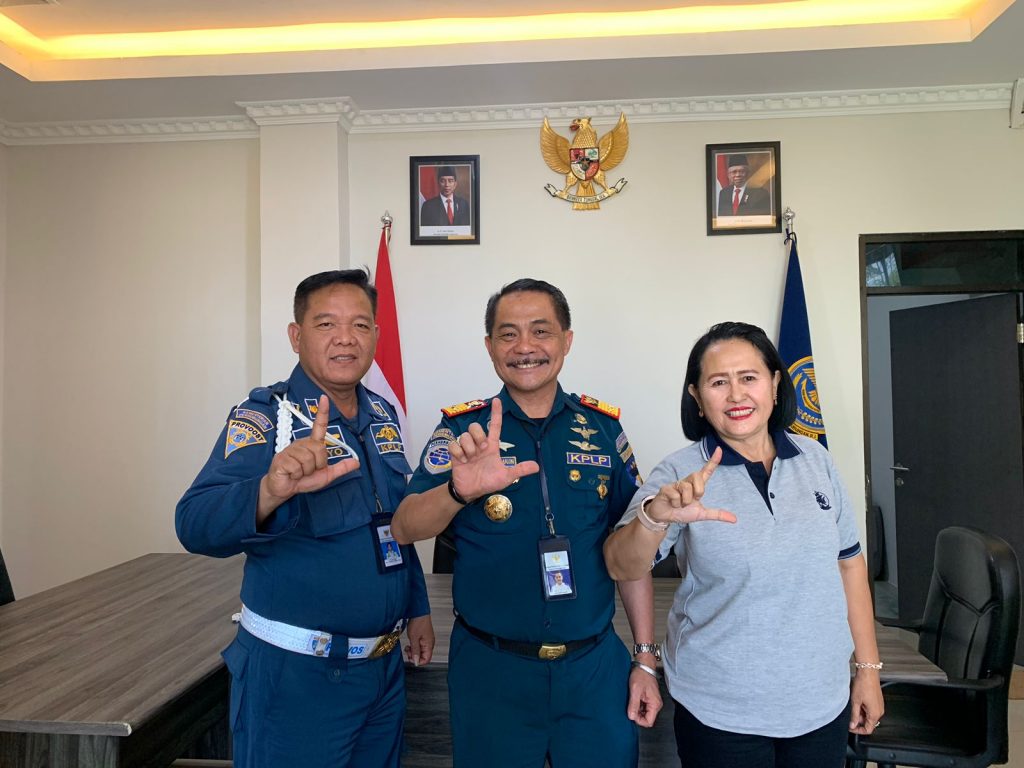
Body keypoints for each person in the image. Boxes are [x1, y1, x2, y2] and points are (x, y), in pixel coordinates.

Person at [391, 278, 663, 768]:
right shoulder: (463, 430)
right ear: (489, 346)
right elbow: (404, 528)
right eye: (508, 334)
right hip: (492, 671)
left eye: (541, 331)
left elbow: (631, 552)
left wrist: (644, 656)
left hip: (593, 669)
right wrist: (458, 491)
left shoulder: (603, 429)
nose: (525, 347)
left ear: (566, 340)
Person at [176, 268, 434, 768]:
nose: (345, 338)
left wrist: (416, 607)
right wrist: (268, 491)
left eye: (360, 325)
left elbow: (392, 525)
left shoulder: (382, 415)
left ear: (376, 335)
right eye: (326, 324)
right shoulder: (268, 418)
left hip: (381, 673)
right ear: (296, 336)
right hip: (299, 677)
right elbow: (193, 523)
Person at [603, 321, 884, 768]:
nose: (736, 395)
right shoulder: (679, 473)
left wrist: (867, 670)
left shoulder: (816, 460)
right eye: (718, 382)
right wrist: (655, 516)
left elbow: (849, 564)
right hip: (719, 709)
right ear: (697, 397)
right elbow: (621, 565)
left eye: (748, 377)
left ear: (774, 383)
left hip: (820, 701)